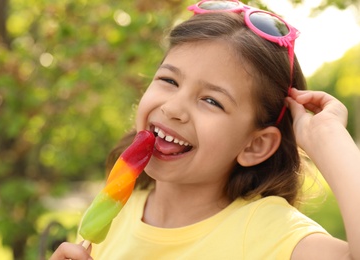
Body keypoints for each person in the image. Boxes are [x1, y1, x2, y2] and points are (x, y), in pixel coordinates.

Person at [50, 1, 360, 259]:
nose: (172, 108)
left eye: (211, 100)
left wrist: (328, 139)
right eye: (169, 81)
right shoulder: (116, 213)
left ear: (255, 145)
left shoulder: (270, 233)